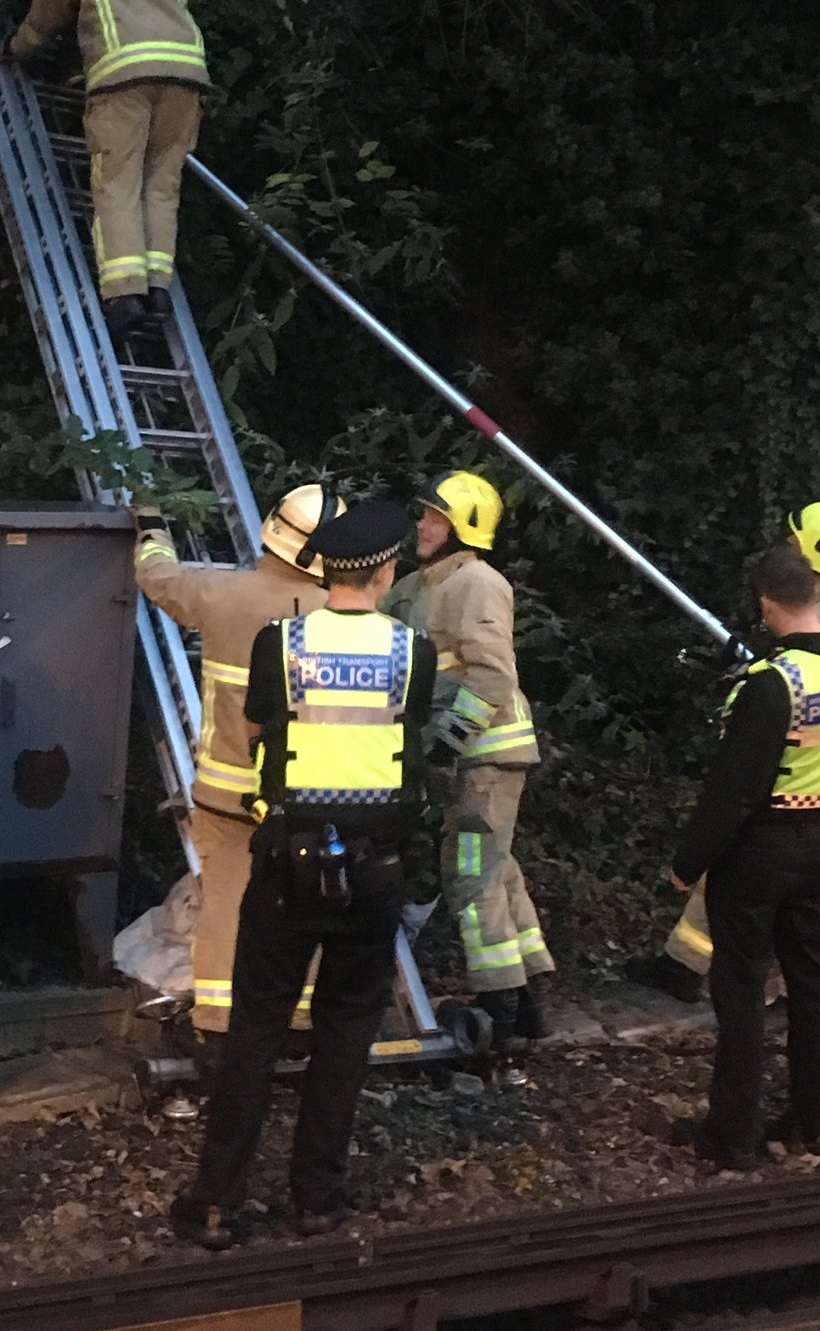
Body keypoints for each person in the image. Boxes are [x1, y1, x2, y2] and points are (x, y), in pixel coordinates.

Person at [170, 502, 437, 1249]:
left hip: (288, 862)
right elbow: (409, 736)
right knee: (345, 1034)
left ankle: (216, 1201)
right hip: (375, 867)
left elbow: (257, 727)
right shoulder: (412, 651)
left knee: (255, 1029)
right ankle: (315, 1201)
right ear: (385, 572)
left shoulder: (278, 643)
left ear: (321, 569)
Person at [670, 541, 820, 1170]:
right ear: (814, 594)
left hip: (760, 849)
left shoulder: (771, 684)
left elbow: (733, 791)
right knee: (814, 980)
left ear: (766, 604)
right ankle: (818, 1119)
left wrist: (689, 861)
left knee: (740, 992)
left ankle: (731, 1134)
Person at [629, 495, 820, 1005]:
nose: (786, 546)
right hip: (809, 777)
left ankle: (802, 984)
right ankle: (684, 961)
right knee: (729, 865)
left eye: (795, 542)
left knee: (808, 897)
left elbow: (799, 689)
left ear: (818, 553)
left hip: (800, 784)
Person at [133, 485, 344, 1045]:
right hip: (312, 800)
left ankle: (219, 1027)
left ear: (272, 529)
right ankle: (299, 1021)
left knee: (227, 905)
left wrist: (151, 529)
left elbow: (160, 579)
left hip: (227, 797)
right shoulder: (346, 620)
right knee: (307, 907)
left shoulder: (222, 594)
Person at [8, 0, 209, 348]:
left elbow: (47, 11)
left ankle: (124, 297)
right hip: (186, 74)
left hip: (121, 78)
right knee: (161, 183)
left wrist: (20, 48)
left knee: (116, 182)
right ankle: (158, 287)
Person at [383, 470, 551, 1054]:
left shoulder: (477, 582)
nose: (423, 524)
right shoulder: (429, 583)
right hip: (478, 757)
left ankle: (498, 1005)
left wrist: (445, 743)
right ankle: (528, 995)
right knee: (498, 870)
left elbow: (493, 674)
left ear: (462, 527)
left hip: (481, 756)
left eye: (435, 517)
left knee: (472, 874)